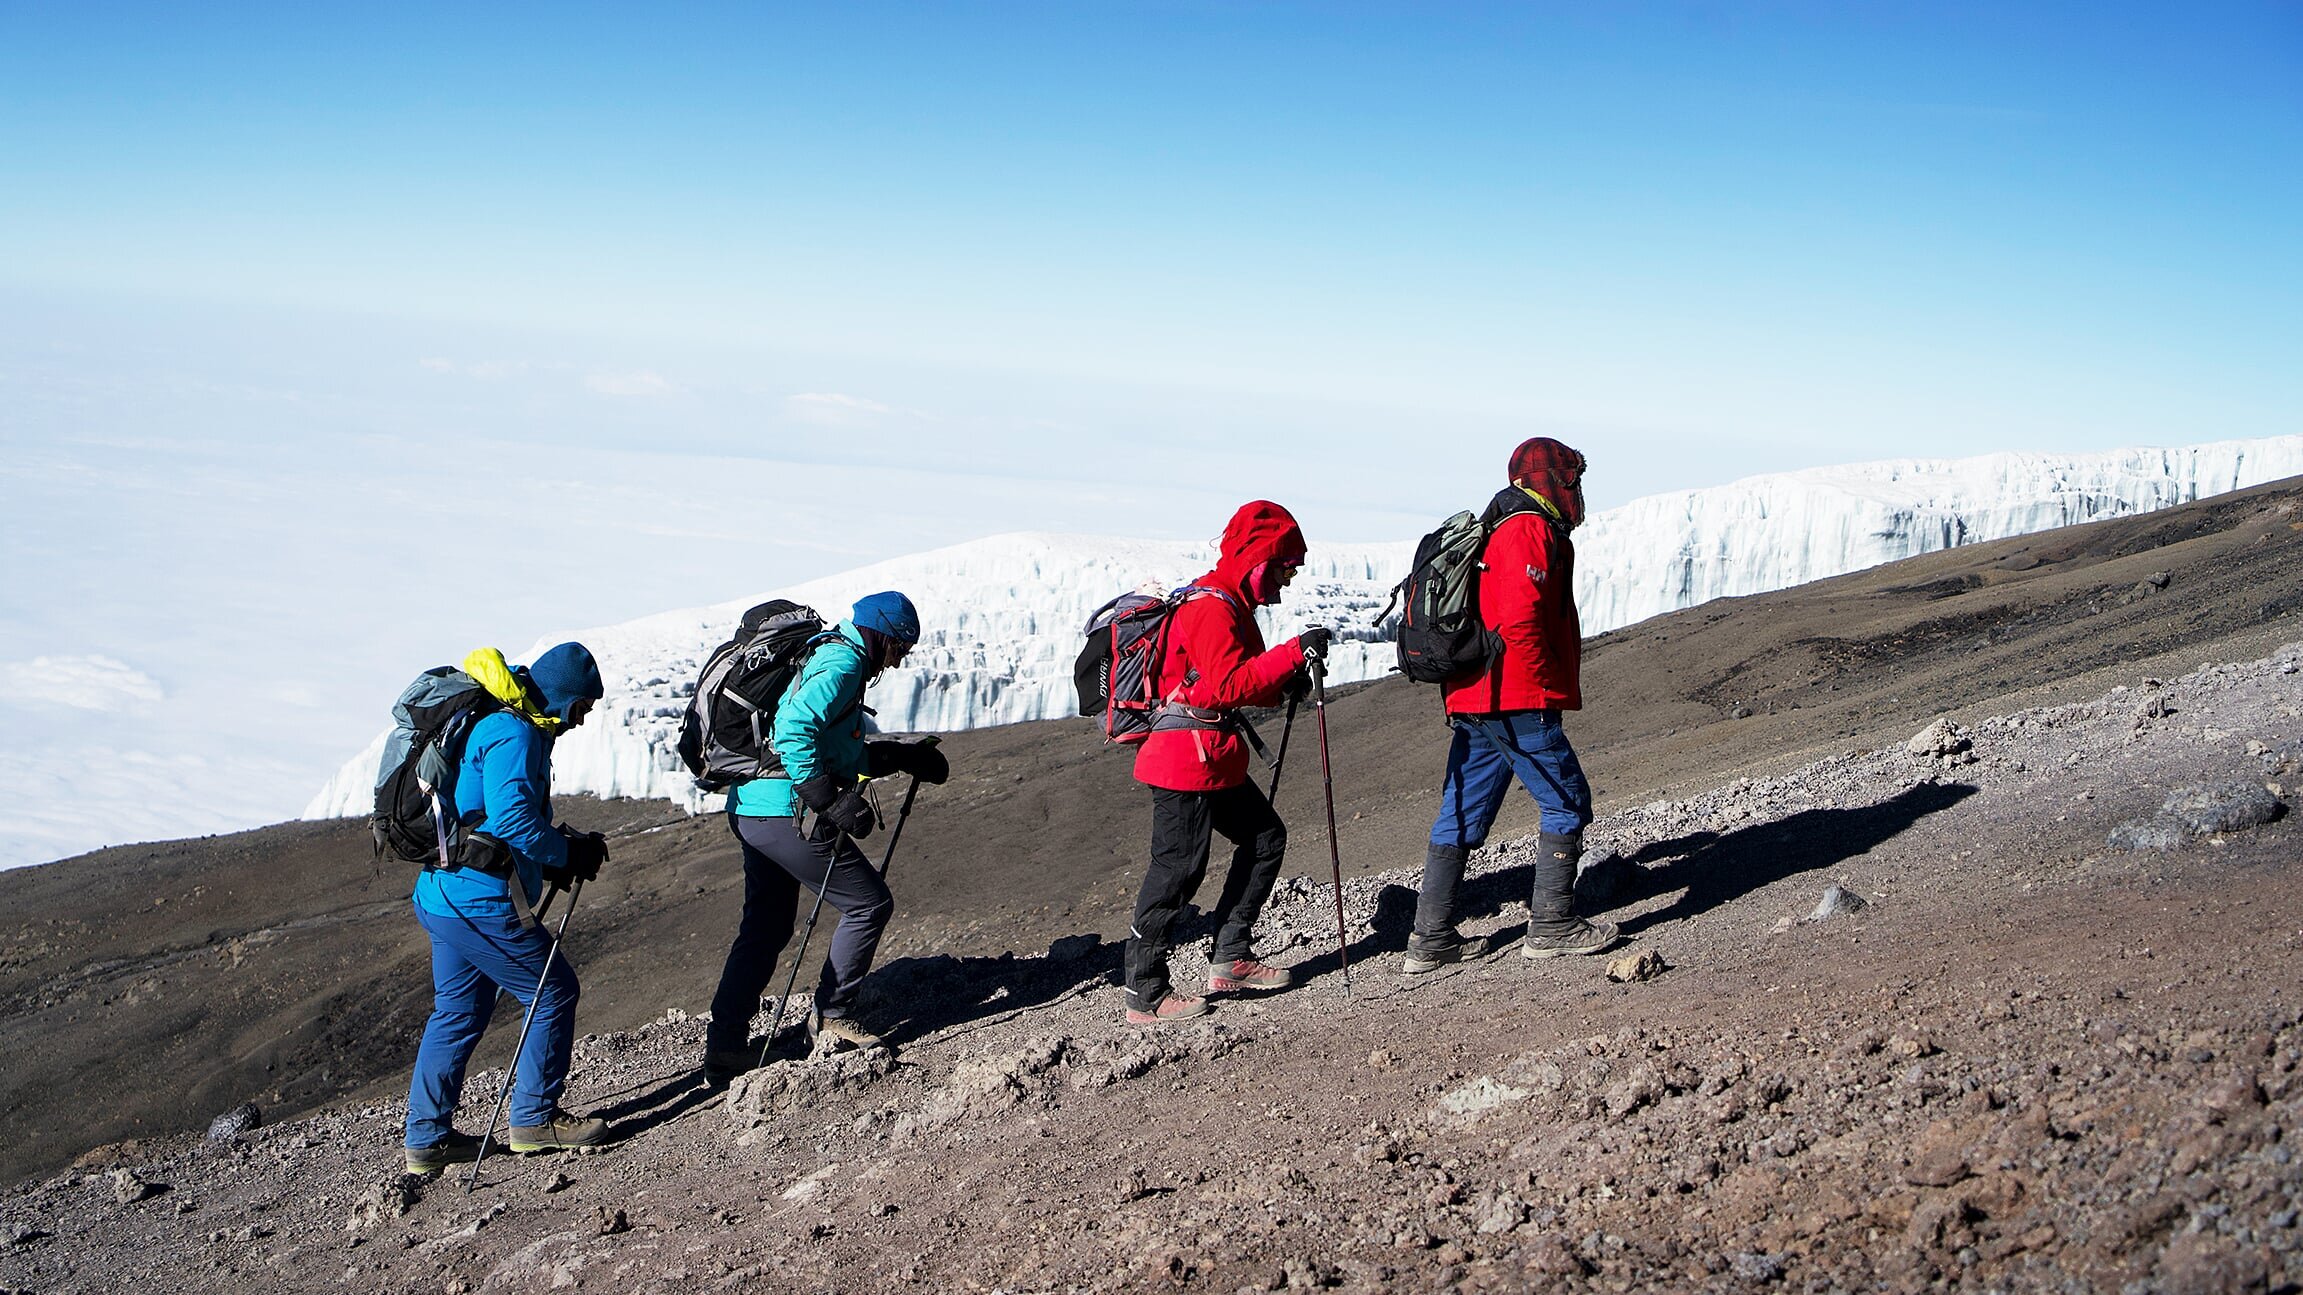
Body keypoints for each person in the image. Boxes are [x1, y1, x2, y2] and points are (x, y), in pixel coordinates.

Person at [702, 592, 946, 1085]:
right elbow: (794, 731)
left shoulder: (828, 653)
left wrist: (896, 757)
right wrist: (827, 801)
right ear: (880, 635)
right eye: (899, 648)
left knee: (765, 927)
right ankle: (832, 1019)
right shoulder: (842, 662)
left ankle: (726, 1048)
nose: (898, 661)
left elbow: (828, 740)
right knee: (868, 904)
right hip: (783, 813)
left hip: (753, 809)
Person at [1405, 438, 1619, 974]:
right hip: (1514, 696)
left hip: (1478, 697)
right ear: (1554, 480)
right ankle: (1551, 926)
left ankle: (1431, 940)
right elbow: (1520, 620)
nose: (1577, 492)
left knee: (1463, 810)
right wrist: (1543, 690)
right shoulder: (1527, 527)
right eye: (1572, 480)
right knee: (1567, 800)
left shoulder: (1500, 523)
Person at [403, 642, 612, 1175]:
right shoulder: (515, 732)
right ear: (563, 698)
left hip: (443, 893)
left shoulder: (501, 724)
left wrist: (557, 850)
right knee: (552, 990)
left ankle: (427, 1140)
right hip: (480, 900)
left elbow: (492, 821)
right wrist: (568, 853)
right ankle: (534, 1120)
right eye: (581, 708)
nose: (580, 721)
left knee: (458, 1011)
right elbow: (513, 820)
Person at [1125, 500, 1331, 1025]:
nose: (1286, 580)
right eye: (1284, 567)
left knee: (1264, 840)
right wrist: (1289, 655)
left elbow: (1244, 682)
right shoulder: (1213, 607)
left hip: (1208, 757)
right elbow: (1226, 686)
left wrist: (1286, 678)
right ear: (1259, 559)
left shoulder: (1230, 601)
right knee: (1177, 871)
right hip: (1184, 761)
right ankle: (1145, 992)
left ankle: (1229, 959)